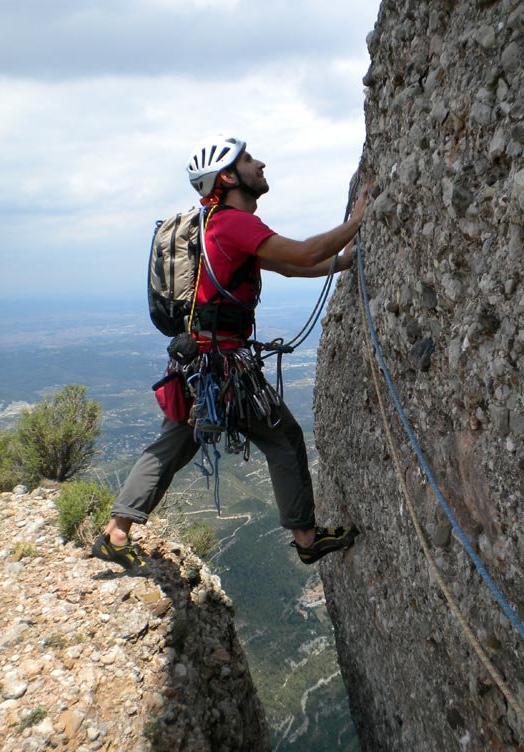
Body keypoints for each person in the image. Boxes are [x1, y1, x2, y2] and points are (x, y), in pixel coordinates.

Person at [92, 135, 368, 574]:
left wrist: (344, 260)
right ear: (227, 177)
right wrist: (358, 221)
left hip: (198, 363)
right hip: (222, 367)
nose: (260, 164)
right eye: (248, 160)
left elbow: (293, 265)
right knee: (282, 436)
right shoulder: (233, 224)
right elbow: (303, 252)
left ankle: (116, 530)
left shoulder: (214, 225)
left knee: (174, 442)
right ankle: (307, 538)